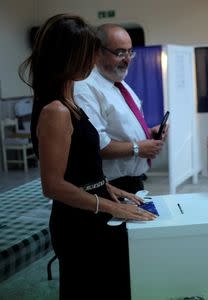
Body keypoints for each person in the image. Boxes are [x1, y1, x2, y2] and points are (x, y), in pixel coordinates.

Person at [19, 14, 156, 300]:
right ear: (68, 56)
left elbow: (82, 169)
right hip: (78, 224)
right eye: (89, 51)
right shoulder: (56, 110)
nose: (94, 59)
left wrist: (112, 190)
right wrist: (111, 207)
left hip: (95, 212)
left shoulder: (69, 101)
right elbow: (53, 185)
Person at [74, 23, 166, 194]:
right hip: (110, 186)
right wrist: (138, 147)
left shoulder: (118, 82)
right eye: (120, 52)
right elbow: (96, 144)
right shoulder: (84, 88)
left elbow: (120, 128)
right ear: (97, 52)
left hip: (133, 181)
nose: (127, 59)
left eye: (130, 52)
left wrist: (147, 133)